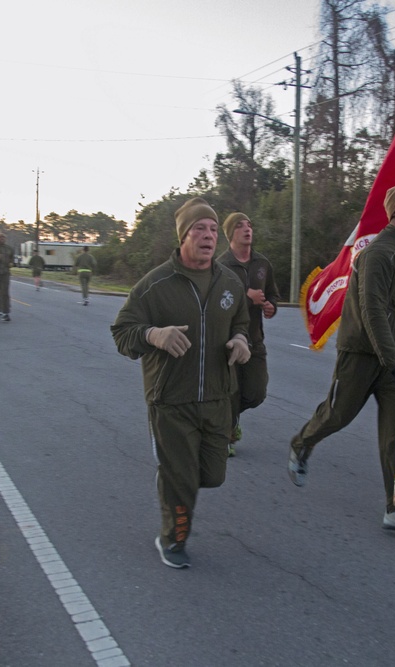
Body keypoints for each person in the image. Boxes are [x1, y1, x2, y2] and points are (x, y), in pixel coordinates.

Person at [111, 197, 251, 569]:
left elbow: (240, 320)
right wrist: (154, 335)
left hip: (219, 398)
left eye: (211, 229)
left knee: (212, 475)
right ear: (183, 236)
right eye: (198, 229)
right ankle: (172, 539)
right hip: (171, 401)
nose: (207, 236)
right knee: (182, 479)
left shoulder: (230, 282)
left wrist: (241, 341)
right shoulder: (155, 285)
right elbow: (122, 332)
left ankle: (176, 478)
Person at [288, 184, 395, 533]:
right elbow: (373, 311)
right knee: (338, 414)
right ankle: (301, 443)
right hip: (362, 354)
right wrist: (394, 362)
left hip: (393, 356)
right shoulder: (378, 253)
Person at [216, 212, 281, 456]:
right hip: (228, 340)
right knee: (231, 390)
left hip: (255, 339)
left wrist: (270, 306)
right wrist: (246, 297)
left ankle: (227, 418)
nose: (247, 229)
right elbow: (216, 303)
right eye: (240, 226)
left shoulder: (262, 263)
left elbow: (272, 293)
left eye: (250, 225)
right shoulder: (221, 266)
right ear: (230, 233)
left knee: (256, 393)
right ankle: (225, 434)